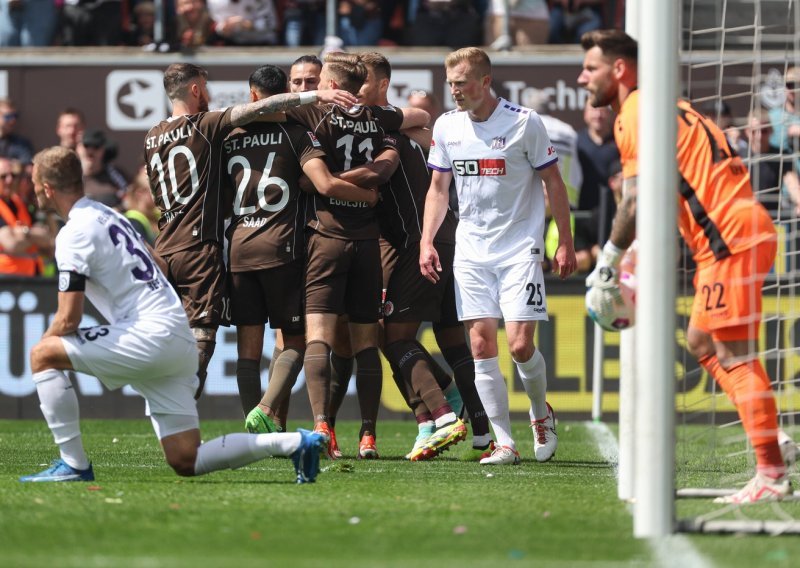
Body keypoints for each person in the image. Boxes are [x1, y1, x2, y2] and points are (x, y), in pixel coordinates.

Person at [19, 146, 327, 484]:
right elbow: (161, 266)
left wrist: (46, 346)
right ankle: (297, 442)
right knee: (186, 457)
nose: (33, 190)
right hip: (178, 337)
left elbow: (68, 319)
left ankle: (73, 465)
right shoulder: (111, 215)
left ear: (46, 188)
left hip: (148, 335)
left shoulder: (73, 233)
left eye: (34, 183)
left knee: (42, 354)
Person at [580, 29, 791, 504]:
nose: (581, 77)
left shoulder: (635, 113)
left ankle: (772, 473)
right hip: (731, 233)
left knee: (735, 353)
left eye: (590, 68)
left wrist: (610, 258)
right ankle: (769, 437)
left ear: (619, 69)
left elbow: (634, 198)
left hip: (727, 238)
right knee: (700, 341)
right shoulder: (666, 105)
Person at [143, 62, 356, 401]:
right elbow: (261, 109)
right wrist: (316, 95)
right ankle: (178, 407)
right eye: (205, 89)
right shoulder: (207, 125)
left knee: (188, 338)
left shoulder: (153, 135)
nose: (209, 97)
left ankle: (168, 396)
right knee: (204, 338)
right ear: (196, 90)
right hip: (203, 247)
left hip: (167, 246)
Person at [421, 47, 576, 465]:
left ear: (485, 82)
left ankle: (540, 413)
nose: (454, 90)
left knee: (521, 346)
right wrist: (427, 240)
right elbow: (438, 188)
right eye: (450, 82)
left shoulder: (525, 123)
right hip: (471, 251)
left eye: (462, 83)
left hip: (519, 249)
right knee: (480, 343)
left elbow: (554, 184)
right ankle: (504, 442)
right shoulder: (447, 126)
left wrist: (563, 240)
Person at [341, 51, 491, 461]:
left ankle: (441, 413)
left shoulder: (383, 124)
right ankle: (477, 429)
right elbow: (423, 123)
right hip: (440, 240)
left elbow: (405, 142)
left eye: (361, 81)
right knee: (449, 340)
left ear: (382, 85)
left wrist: (324, 181)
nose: (352, 90)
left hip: (415, 244)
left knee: (395, 337)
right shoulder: (387, 124)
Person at [284, 52, 429, 456]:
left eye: (318, 83)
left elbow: (260, 114)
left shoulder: (314, 116)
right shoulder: (376, 119)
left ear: (331, 85)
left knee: (319, 338)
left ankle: (322, 428)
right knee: (366, 341)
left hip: (326, 238)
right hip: (367, 242)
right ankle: (368, 435)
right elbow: (418, 118)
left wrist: (322, 181)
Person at [228, 65, 377, 424]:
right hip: (281, 248)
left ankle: (256, 427)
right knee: (296, 340)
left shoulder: (229, 134)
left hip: (238, 250)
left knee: (249, 348)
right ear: (287, 92)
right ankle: (267, 412)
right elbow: (323, 183)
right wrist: (368, 197)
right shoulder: (296, 133)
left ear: (252, 96)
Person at [0, 156, 52, 276]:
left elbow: (46, 238)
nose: (9, 180)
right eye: (3, 177)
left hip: (30, 278)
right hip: (5, 280)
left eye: (13, 175)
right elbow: (11, 244)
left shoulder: (20, 204)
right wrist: (33, 237)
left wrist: (22, 232)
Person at [575, 99, 618, 212]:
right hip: (581, 212)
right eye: (594, 110)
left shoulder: (619, 142)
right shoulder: (576, 142)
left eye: (602, 110)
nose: (598, 115)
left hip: (611, 212)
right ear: (585, 114)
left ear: (610, 114)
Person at [78, 129, 129, 208]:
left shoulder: (115, 174)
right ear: (78, 148)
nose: (91, 151)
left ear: (103, 150)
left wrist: (118, 210)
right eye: (86, 145)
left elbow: (130, 198)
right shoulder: (71, 175)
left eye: (96, 147)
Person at [0, 98, 34, 165]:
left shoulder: (22, 144)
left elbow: (27, 165)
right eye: (8, 117)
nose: (13, 121)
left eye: (15, 116)